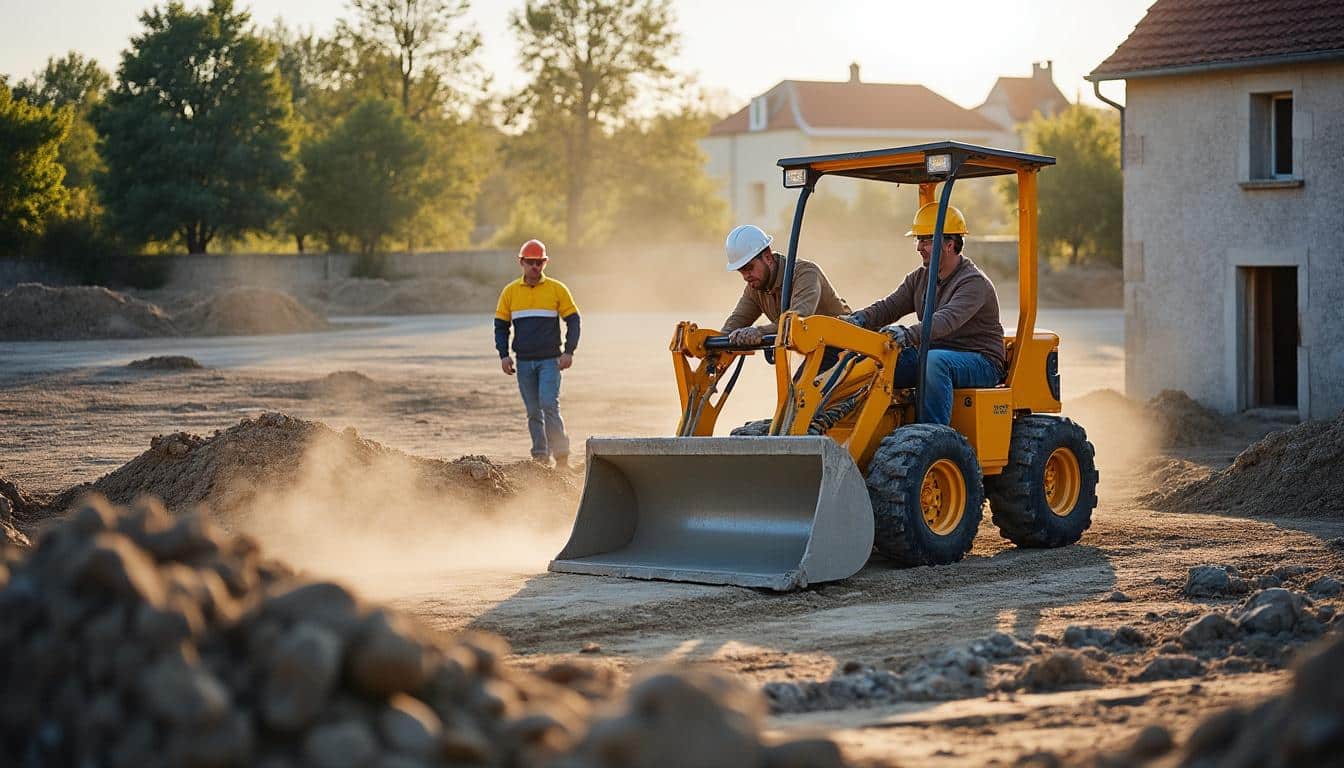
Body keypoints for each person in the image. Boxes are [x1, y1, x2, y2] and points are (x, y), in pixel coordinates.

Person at [841, 203, 1004, 425]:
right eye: (918, 240)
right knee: (875, 360)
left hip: (980, 361)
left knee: (934, 362)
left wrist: (907, 335)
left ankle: (932, 437)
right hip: (933, 353)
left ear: (949, 244)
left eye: (926, 240)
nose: (919, 247)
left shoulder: (973, 283)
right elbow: (889, 307)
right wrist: (858, 320)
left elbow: (946, 320)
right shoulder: (920, 278)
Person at [495, 239, 580, 469]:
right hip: (523, 363)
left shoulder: (557, 289)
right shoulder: (510, 292)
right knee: (533, 411)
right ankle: (540, 457)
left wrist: (569, 351)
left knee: (549, 404)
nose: (535, 266)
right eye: (530, 262)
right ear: (521, 262)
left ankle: (561, 458)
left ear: (545, 263)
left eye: (539, 262)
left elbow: (574, 320)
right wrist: (503, 355)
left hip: (549, 361)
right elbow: (501, 325)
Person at [720, 224, 851, 359]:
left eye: (749, 268)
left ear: (768, 258)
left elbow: (798, 321)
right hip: (818, 351)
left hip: (848, 349)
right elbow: (734, 323)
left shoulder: (805, 274)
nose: (746, 276)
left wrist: (759, 332)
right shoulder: (755, 287)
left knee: (801, 380)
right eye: (741, 271)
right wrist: (712, 346)